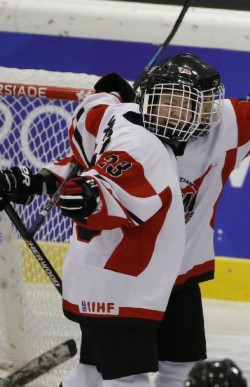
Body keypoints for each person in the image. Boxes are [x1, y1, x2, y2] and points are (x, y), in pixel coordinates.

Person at [133, 53, 250, 386]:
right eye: (168, 101)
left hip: (180, 280)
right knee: (112, 376)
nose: (178, 112)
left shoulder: (220, 130)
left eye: (190, 102)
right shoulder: (124, 133)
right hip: (126, 279)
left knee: (183, 371)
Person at [0, 72, 187, 386]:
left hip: (101, 279)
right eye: (171, 103)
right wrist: (88, 197)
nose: (179, 114)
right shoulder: (139, 141)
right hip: (121, 284)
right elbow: (105, 186)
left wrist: (35, 183)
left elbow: (91, 171)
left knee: (89, 371)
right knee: (126, 379)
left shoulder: (116, 130)